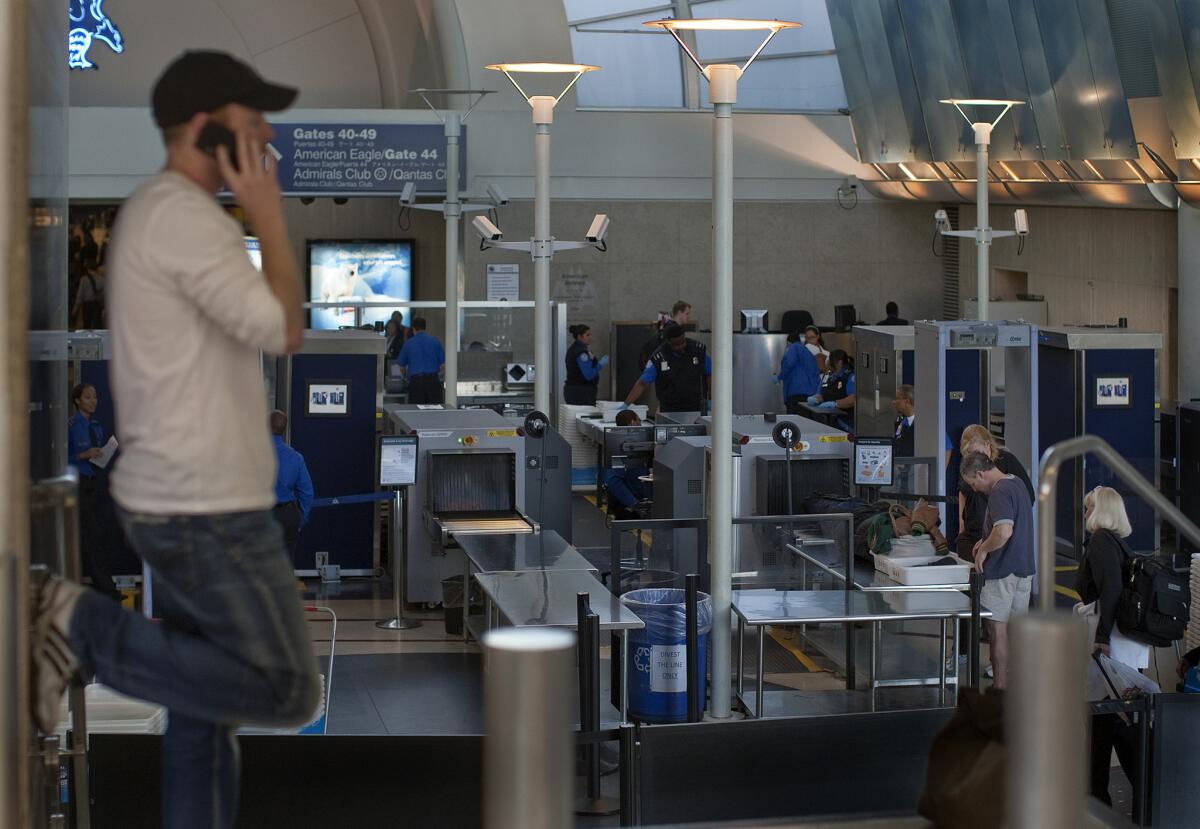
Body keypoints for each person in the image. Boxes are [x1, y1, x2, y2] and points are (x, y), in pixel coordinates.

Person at [30, 50, 320, 829]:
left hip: (188, 494)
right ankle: (72, 621)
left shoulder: (166, 215)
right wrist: (268, 213)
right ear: (203, 126)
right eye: (251, 122)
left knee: (203, 716)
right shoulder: (184, 218)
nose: (266, 138)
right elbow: (285, 325)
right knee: (287, 686)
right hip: (205, 506)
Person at [1077, 486, 1149, 808]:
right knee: (1113, 717)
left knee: (1106, 717)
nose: (1084, 513)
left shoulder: (1102, 542)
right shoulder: (1118, 544)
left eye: (1088, 507)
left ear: (1099, 510)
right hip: (1124, 642)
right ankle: (1121, 789)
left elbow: (1110, 591)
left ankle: (1102, 794)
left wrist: (1101, 638)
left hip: (1109, 640)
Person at [960, 452, 1036, 689]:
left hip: (1002, 570)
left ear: (981, 473)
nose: (976, 489)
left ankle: (1000, 687)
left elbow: (1004, 531)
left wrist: (984, 551)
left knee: (998, 629)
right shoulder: (1017, 483)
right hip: (1023, 569)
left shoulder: (999, 491)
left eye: (974, 483)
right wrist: (984, 540)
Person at [66, 383, 121, 600]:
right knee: (89, 536)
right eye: (88, 397)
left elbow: (96, 457)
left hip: (92, 481)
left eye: (95, 397)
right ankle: (106, 589)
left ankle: (100, 587)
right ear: (77, 400)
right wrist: (82, 455)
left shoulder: (97, 426)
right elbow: (60, 458)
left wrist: (101, 454)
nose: (93, 401)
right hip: (76, 482)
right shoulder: (70, 425)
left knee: (92, 534)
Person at [956, 425, 1033, 560]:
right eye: (968, 453)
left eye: (976, 452)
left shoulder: (1006, 465)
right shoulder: (968, 464)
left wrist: (1005, 528)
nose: (973, 458)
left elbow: (1028, 497)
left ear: (988, 445)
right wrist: (961, 524)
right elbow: (963, 491)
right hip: (973, 530)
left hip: (998, 529)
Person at [623, 322, 711, 415]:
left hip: (694, 407)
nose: (681, 346)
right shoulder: (659, 357)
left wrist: (712, 400)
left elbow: (710, 374)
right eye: (676, 344)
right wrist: (626, 404)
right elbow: (642, 383)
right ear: (669, 342)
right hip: (669, 409)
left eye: (683, 342)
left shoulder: (698, 350)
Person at [270, 410, 314, 562]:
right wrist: (301, 519)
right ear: (284, 429)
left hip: (262, 515)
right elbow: (307, 493)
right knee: (286, 563)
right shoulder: (296, 457)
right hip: (288, 516)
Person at [604, 409, 650, 518]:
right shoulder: (618, 449)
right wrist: (634, 504)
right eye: (639, 421)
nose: (641, 424)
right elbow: (614, 482)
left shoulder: (638, 446)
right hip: (631, 506)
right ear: (632, 422)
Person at [398, 316, 445, 404]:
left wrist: (405, 376)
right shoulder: (435, 341)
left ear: (413, 328)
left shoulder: (408, 343)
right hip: (433, 381)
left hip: (416, 383)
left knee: (416, 413)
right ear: (425, 327)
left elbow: (401, 366)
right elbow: (443, 365)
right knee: (435, 411)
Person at [806, 348, 856, 431]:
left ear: (840, 363)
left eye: (832, 362)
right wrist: (816, 398)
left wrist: (835, 404)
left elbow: (853, 399)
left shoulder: (850, 376)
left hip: (846, 424)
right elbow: (821, 393)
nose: (830, 365)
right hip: (829, 422)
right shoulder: (828, 375)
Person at [638, 300, 692, 370]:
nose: (689, 317)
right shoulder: (673, 329)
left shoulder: (666, 326)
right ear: (679, 313)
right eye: (687, 314)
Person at [564, 323, 608, 406]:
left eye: (590, 335)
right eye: (587, 335)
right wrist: (600, 365)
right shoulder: (581, 353)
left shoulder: (576, 349)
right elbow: (589, 375)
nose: (590, 337)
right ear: (579, 336)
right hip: (581, 393)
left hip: (576, 391)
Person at [777, 331, 821, 414]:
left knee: (794, 423)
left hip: (796, 392)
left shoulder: (794, 347)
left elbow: (789, 364)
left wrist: (780, 377)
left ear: (788, 342)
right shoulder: (807, 352)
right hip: (810, 394)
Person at [892, 384, 915, 456]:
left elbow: (946, 446)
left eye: (897, 398)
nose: (893, 402)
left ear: (906, 401)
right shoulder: (899, 424)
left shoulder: (924, 423)